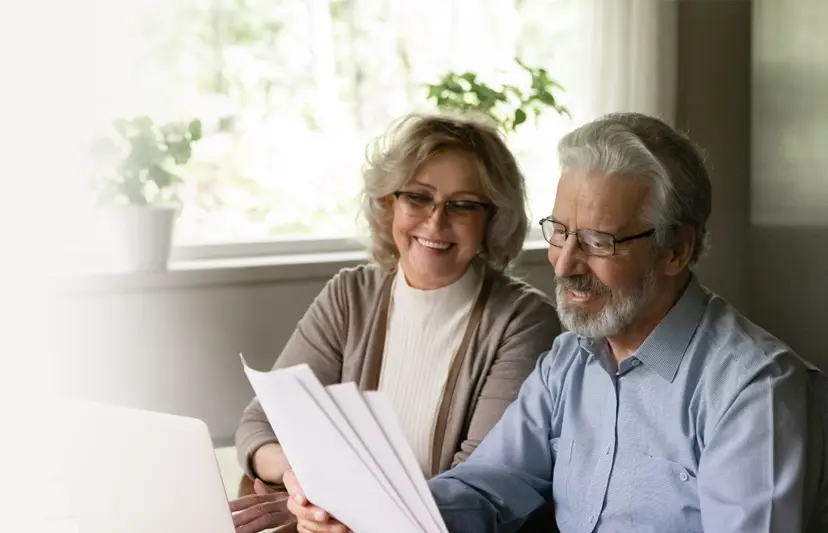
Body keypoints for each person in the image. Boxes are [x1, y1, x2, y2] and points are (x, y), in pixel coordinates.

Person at [285, 111, 813, 533]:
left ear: (676, 249)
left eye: (598, 241)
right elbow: (489, 485)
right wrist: (376, 514)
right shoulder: (570, 360)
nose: (563, 263)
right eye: (560, 231)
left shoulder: (753, 389)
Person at [229, 112, 560, 533]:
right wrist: (299, 482)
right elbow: (259, 424)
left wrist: (346, 508)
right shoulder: (350, 296)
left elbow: (478, 488)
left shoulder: (523, 322)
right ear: (390, 204)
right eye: (418, 197)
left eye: (462, 205)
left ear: (492, 219)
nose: (436, 222)